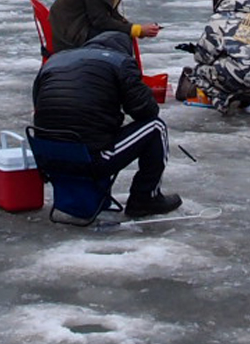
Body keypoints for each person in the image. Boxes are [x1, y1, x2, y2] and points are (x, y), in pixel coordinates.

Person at [33, 31, 182, 218]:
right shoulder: (121, 62)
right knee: (155, 128)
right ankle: (144, 199)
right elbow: (147, 111)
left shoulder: (55, 60)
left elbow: (38, 103)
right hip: (89, 160)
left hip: (46, 157)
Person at [177, 0, 250, 114]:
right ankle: (248, 100)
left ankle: (224, 101)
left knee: (197, 71)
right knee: (245, 67)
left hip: (238, 75)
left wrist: (196, 50)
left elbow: (204, 57)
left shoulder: (218, 20)